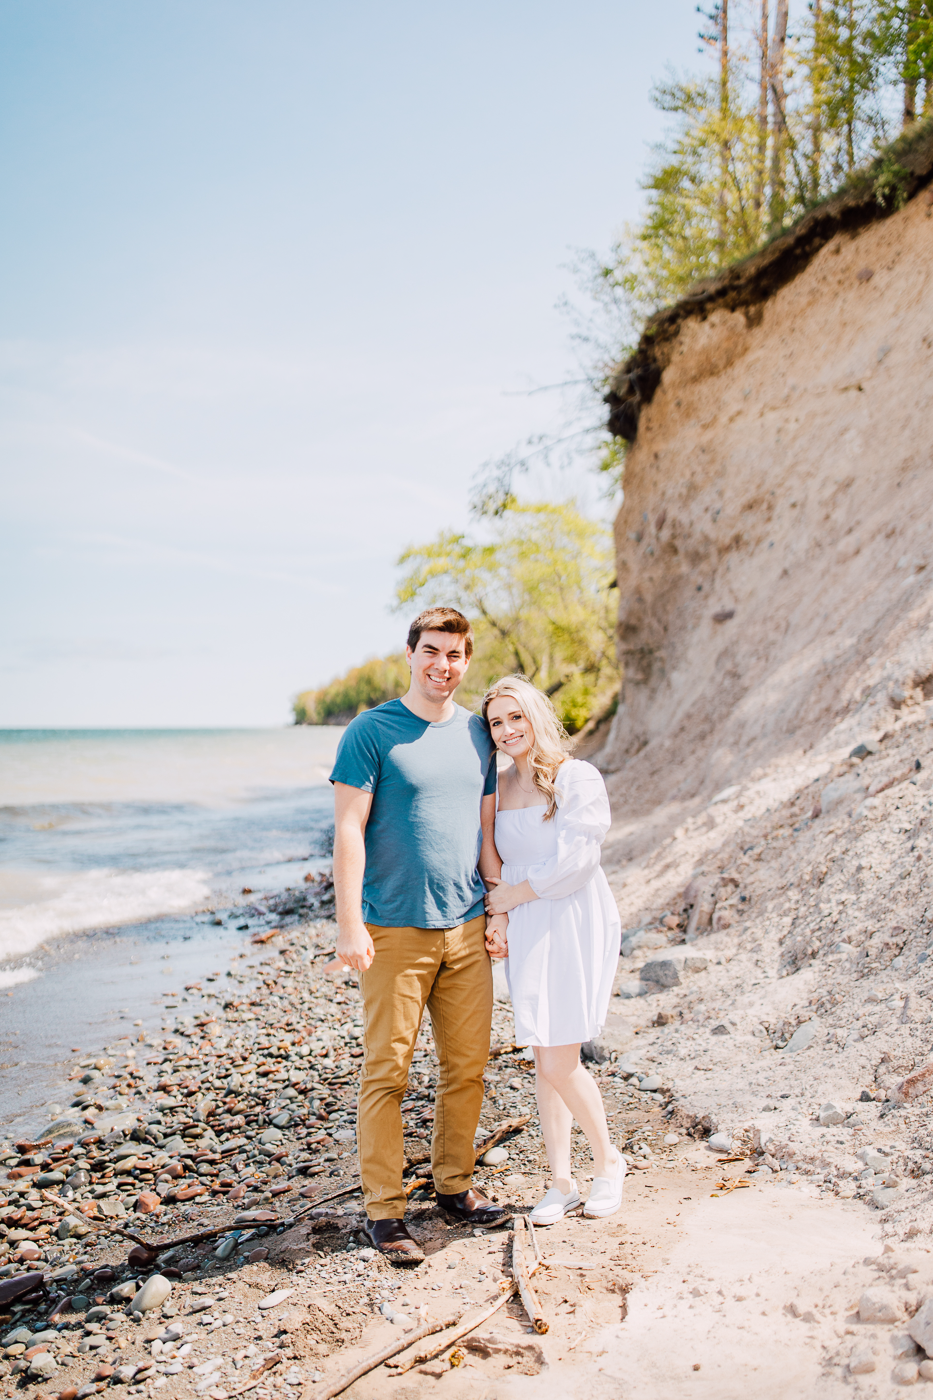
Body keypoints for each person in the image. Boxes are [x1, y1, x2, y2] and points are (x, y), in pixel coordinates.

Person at [328, 606, 511, 1265]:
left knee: (466, 1067)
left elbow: (485, 833)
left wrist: (498, 911)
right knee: (388, 1072)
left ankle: (454, 1189)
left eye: (455, 655)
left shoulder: (476, 735)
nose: (443, 665)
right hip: (394, 931)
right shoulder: (371, 732)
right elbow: (348, 830)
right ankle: (384, 1212)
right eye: (431, 651)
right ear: (410, 654)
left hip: (464, 928)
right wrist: (350, 922)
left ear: (466, 662)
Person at [482, 675, 624, 1225]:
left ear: (537, 716)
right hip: (525, 921)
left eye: (516, 717)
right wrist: (501, 913)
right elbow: (488, 853)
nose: (508, 729)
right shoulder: (495, 785)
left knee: (561, 1056)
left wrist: (510, 899)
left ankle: (610, 1162)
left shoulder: (574, 777)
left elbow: (576, 861)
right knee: (544, 1052)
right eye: (497, 722)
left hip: (568, 915)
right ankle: (560, 1180)